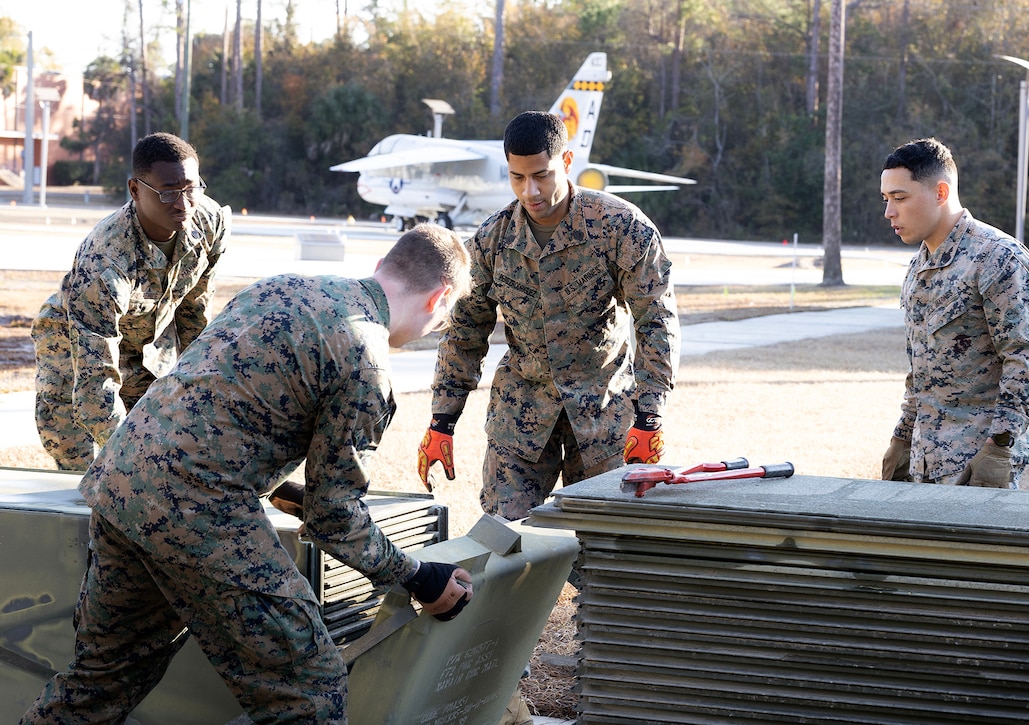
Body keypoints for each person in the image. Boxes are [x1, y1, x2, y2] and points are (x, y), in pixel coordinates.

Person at [21, 224, 475, 724]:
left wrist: (286, 488)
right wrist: (418, 578)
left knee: (104, 676)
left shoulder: (283, 287)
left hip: (121, 481)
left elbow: (218, 408)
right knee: (309, 689)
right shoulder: (367, 363)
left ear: (381, 268)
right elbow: (336, 521)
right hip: (195, 509)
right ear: (441, 297)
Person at [417, 110, 681, 519]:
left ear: (568, 162)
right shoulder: (492, 240)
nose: (530, 191)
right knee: (505, 541)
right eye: (517, 177)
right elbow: (464, 331)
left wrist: (650, 415)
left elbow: (656, 320)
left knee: (604, 545)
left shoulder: (621, 228)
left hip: (603, 415)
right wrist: (442, 419)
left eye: (542, 174)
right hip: (520, 416)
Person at [31, 131, 231, 471]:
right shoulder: (106, 260)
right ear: (135, 190)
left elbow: (194, 315)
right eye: (168, 192)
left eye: (191, 188)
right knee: (91, 469)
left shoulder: (210, 222)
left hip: (147, 347)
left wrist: (200, 396)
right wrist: (130, 460)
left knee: (165, 448)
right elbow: (95, 382)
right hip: (75, 352)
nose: (183, 203)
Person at [879, 137, 1029, 489]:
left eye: (900, 198)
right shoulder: (918, 267)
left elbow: (1027, 363)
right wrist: (903, 438)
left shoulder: (998, 258)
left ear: (941, 193)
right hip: (925, 462)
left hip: (977, 465)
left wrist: (999, 446)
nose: (889, 212)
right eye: (886, 199)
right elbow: (922, 372)